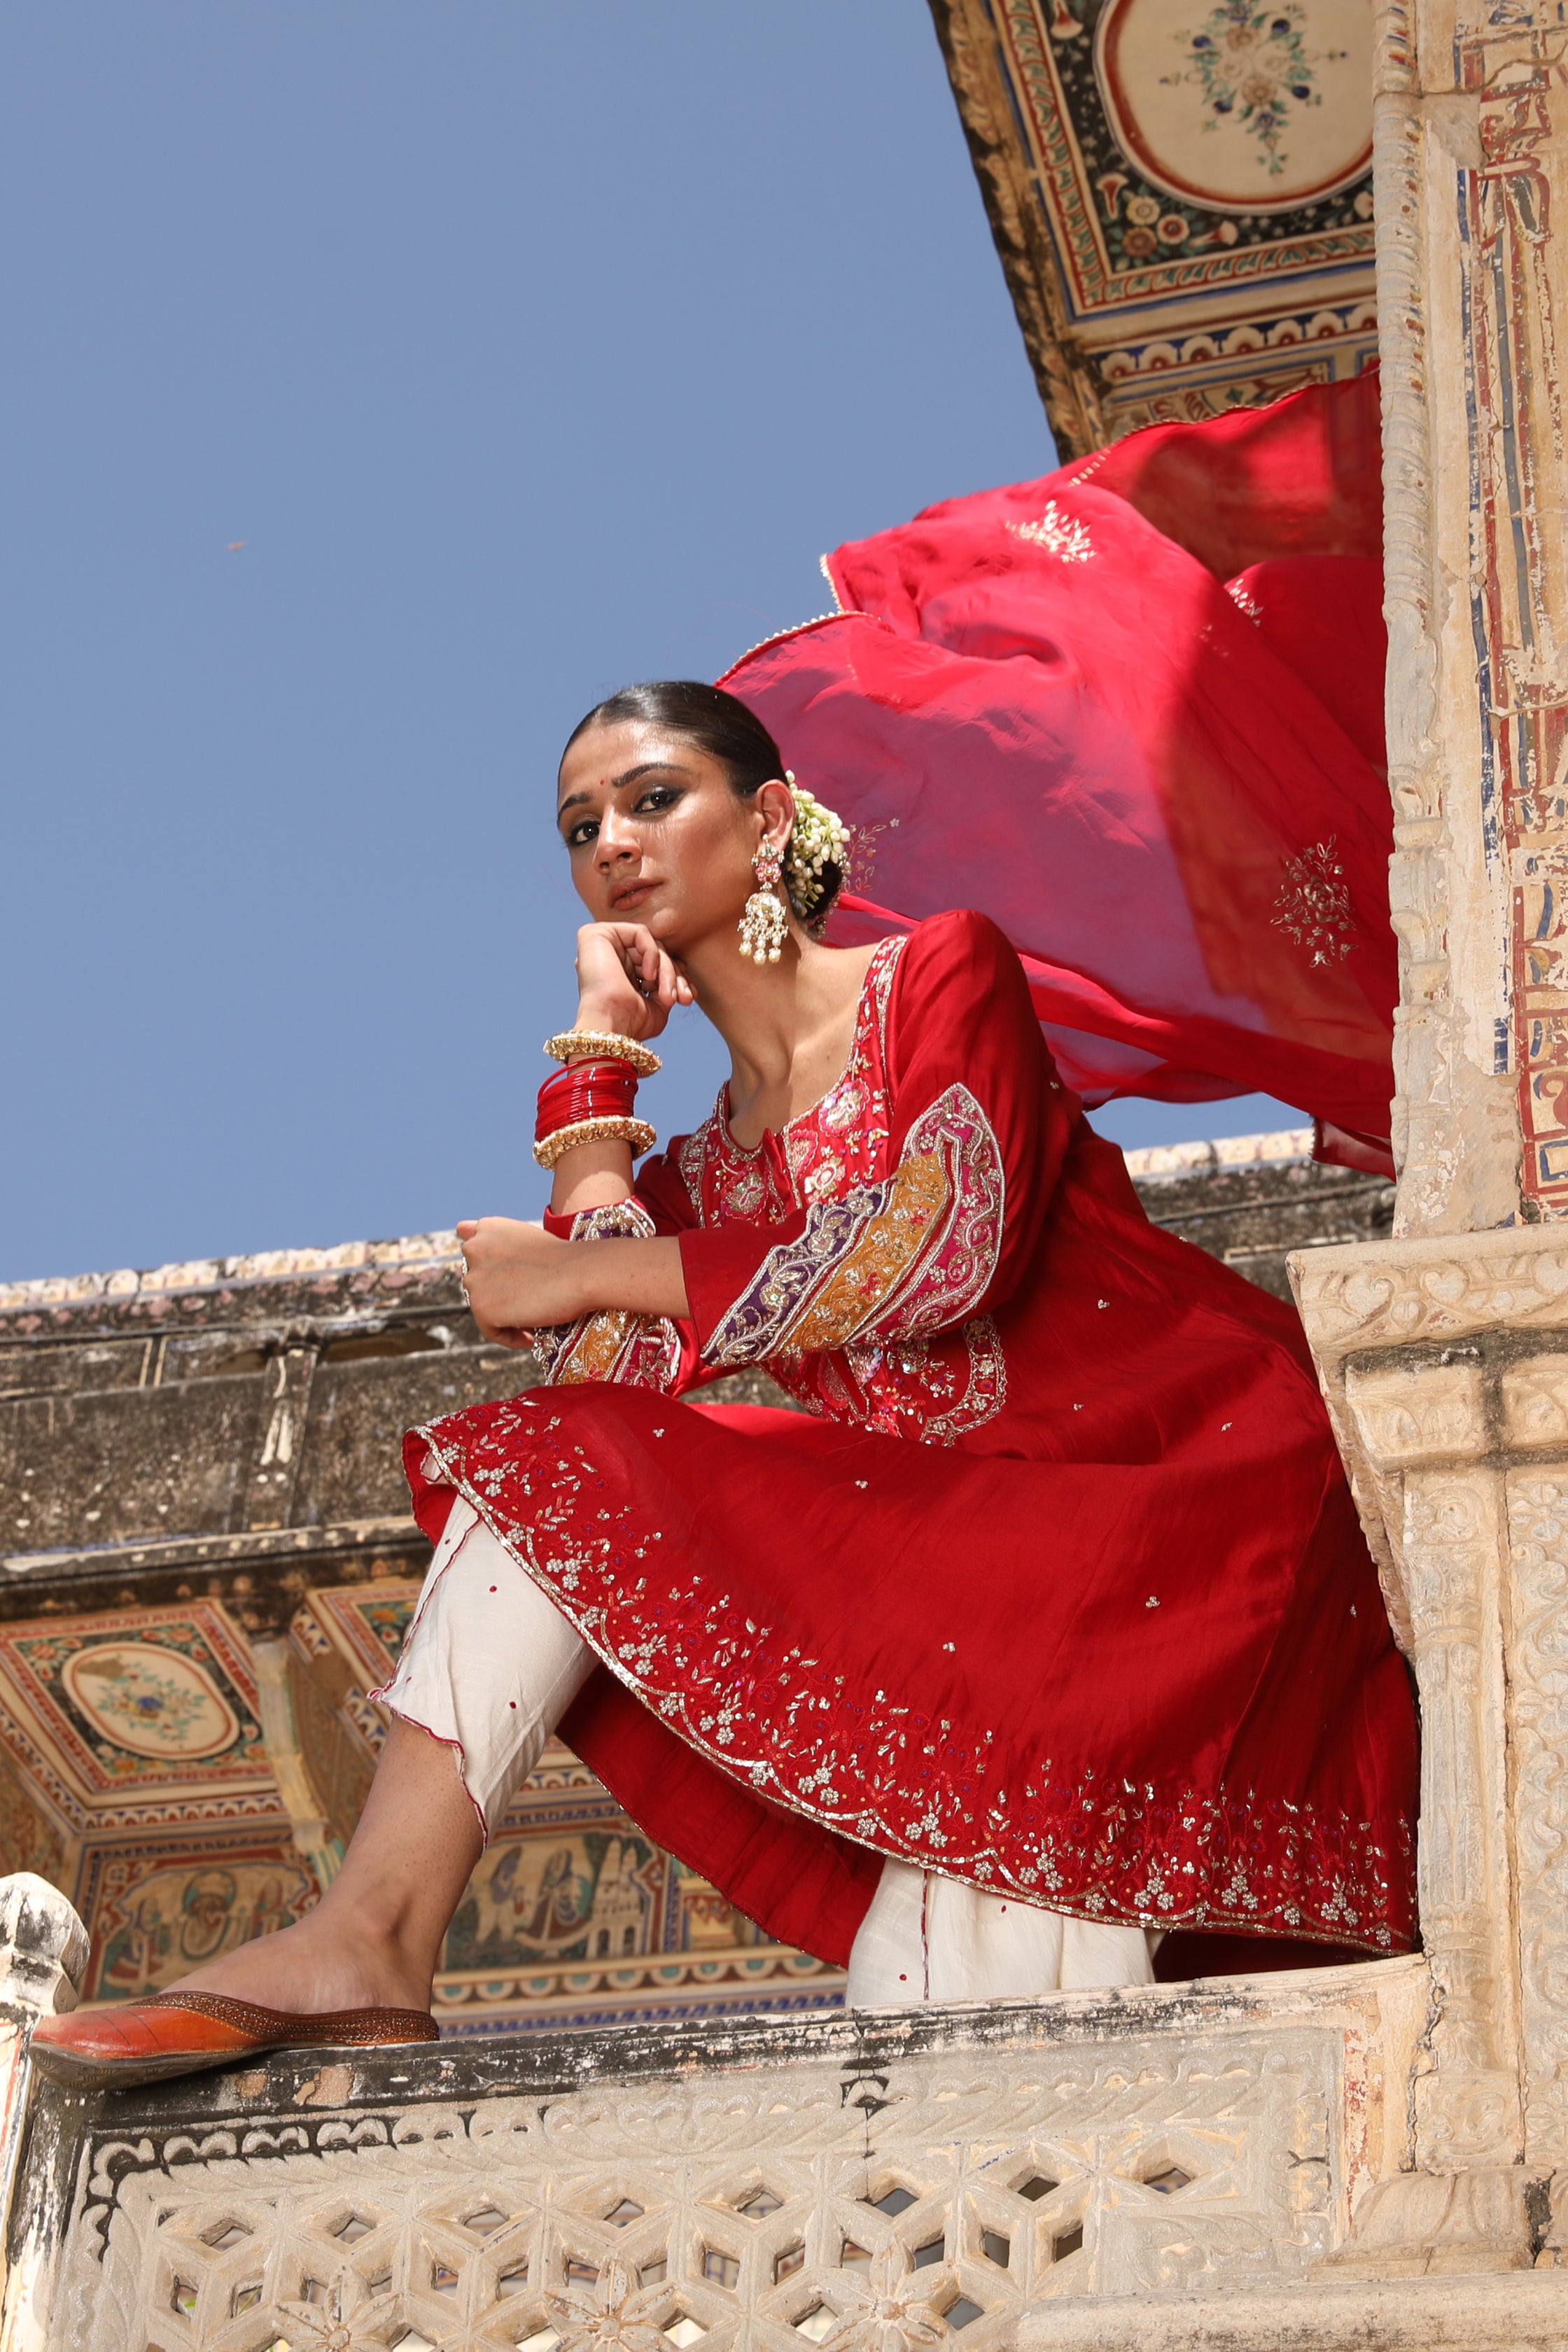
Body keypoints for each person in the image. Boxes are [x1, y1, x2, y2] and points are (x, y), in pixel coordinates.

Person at [34, 659, 1419, 2088]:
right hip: (969, 1561)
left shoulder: (936, 972)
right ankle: (370, 1933)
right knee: (933, 1998)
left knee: (1008, 2019)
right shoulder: (702, 1169)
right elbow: (598, 1396)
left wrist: (578, 1264)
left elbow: (942, 1246)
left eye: (650, 799)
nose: (611, 845)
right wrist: (597, 1082)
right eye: (580, 829)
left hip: (1177, 1499)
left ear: (766, 824)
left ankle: (370, 1930)